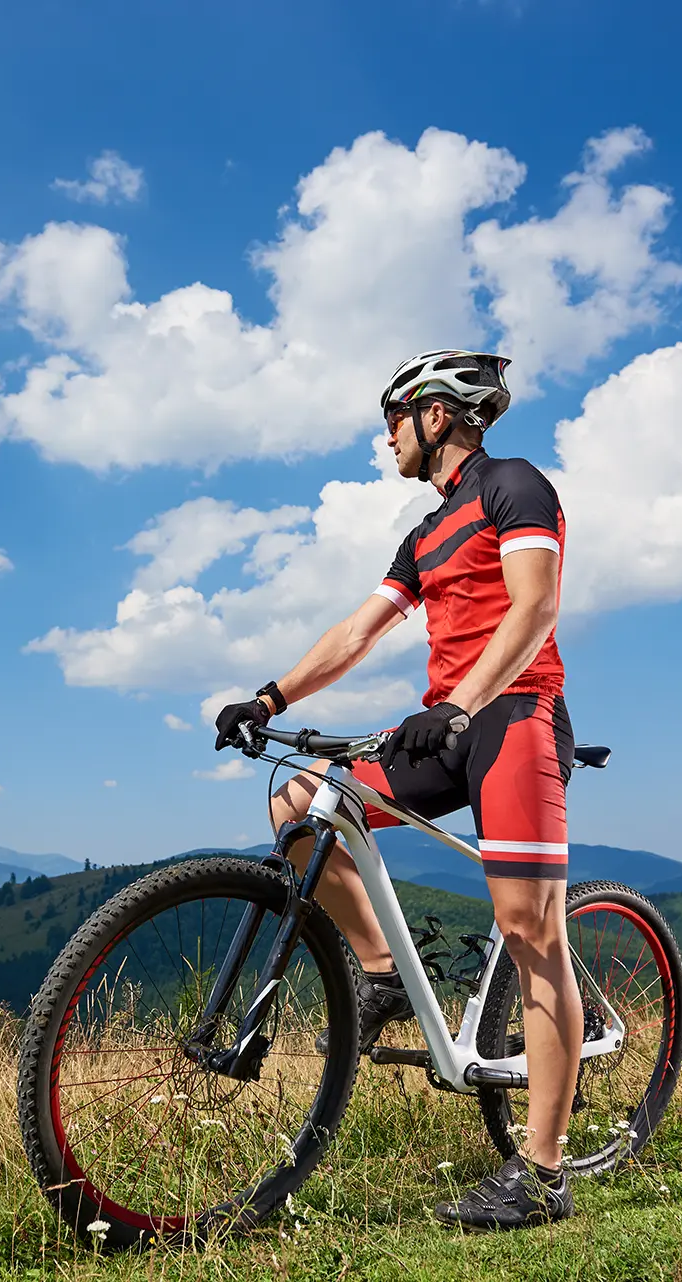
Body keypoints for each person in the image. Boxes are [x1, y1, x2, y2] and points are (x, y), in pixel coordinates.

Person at [214, 349, 581, 1230]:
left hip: (516, 713)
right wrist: (271, 696)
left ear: (439, 415)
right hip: (446, 729)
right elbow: (361, 629)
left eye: (394, 420)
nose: (387, 439)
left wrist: (461, 700)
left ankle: (542, 1173)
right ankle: (381, 972)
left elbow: (534, 609)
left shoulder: (515, 487)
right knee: (301, 802)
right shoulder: (423, 534)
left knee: (532, 928)